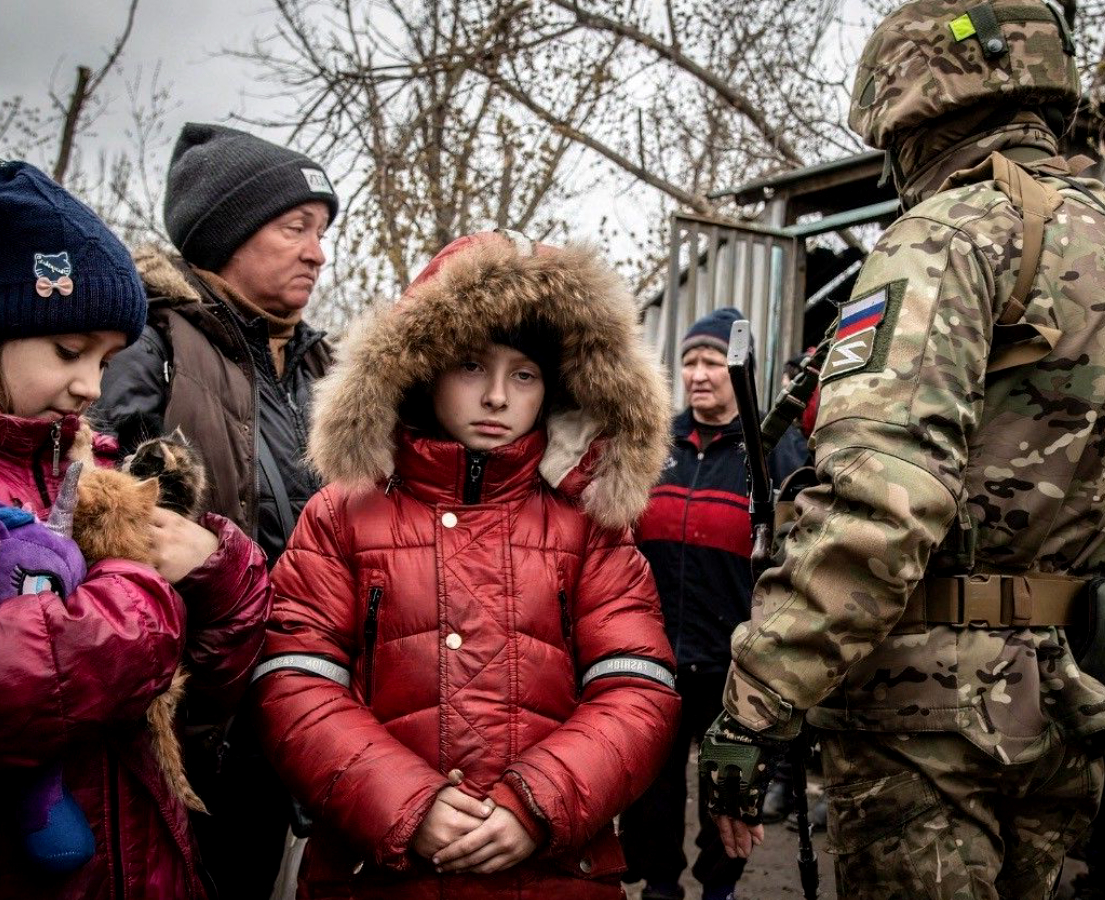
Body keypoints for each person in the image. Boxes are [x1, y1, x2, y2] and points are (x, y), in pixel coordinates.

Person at [698, 1, 1105, 898]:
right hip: (1076, 697)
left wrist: (756, 698)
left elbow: (882, 502)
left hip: (929, 718)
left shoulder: (948, 234)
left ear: (909, 112)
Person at [251, 230, 682, 898]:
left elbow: (639, 689)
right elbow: (293, 681)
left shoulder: (590, 523)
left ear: (557, 387)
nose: (497, 398)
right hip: (383, 872)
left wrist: (537, 804)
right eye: (472, 367)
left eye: (524, 375)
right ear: (424, 368)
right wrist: (401, 802)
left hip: (551, 874)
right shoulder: (343, 514)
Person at [0, 161, 271, 898]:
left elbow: (209, 680)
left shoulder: (94, 471)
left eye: (107, 360)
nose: (92, 386)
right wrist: (139, 592)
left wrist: (220, 568)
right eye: (67, 351)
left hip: (144, 860)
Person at [92, 122, 339, 898]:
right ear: (226, 231)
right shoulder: (146, 340)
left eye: (324, 231)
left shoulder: (326, 369)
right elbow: (89, 516)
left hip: (291, 705)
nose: (317, 252)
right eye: (295, 227)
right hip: (177, 722)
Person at [619, 307, 806, 900]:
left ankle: (719, 889)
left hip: (734, 662)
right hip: (656, 655)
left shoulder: (775, 452)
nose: (698, 374)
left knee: (730, 788)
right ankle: (659, 886)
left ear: (738, 370)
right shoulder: (655, 443)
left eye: (712, 362)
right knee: (651, 792)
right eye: (689, 362)